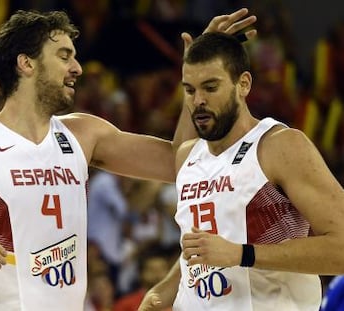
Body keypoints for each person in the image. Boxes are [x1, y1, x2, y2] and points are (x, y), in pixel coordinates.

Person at [0, 7, 257, 311]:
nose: (77, 68)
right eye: (64, 56)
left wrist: (197, 74)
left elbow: (183, 165)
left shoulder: (84, 134)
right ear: (26, 64)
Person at [138, 32, 344, 311]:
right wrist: (166, 288)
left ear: (243, 84)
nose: (198, 100)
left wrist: (243, 254)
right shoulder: (187, 156)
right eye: (190, 90)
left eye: (210, 88)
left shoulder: (278, 145)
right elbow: (205, 249)